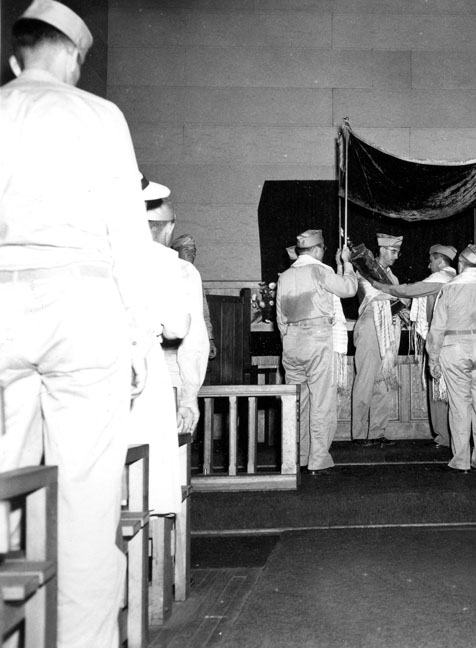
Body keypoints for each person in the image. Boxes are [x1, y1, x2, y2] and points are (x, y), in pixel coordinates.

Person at [0, 2, 153, 645]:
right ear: (71, 57)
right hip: (83, 302)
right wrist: (140, 334)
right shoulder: (97, 114)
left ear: (17, 59)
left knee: (4, 480)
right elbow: (128, 230)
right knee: (88, 495)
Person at [129, 175, 190, 517]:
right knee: (151, 469)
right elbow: (177, 328)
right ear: (166, 229)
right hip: (143, 362)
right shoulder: (163, 260)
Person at [277, 230, 357, 473]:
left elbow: (280, 318)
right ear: (317, 249)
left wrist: (290, 339)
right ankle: (318, 459)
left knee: (297, 402)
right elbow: (349, 289)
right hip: (317, 340)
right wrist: (346, 263)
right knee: (322, 401)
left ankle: (298, 457)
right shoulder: (320, 270)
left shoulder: (285, 276)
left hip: (291, 342)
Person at [372, 244, 458, 448]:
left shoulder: (441, 278)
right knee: (442, 389)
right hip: (444, 339)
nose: (428, 266)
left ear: (439, 261)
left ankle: (445, 436)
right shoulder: (451, 278)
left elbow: (411, 290)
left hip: (441, 341)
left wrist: (382, 286)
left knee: (440, 389)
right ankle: (446, 436)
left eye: (430, 261)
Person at [427, 245, 476, 472]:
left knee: (460, 406)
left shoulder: (449, 288)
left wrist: (433, 358)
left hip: (455, 348)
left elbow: (437, 328)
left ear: (460, 265)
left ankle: (461, 460)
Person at [148, 198, 210, 436]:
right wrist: (189, 396)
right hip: (162, 374)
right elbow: (188, 338)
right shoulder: (180, 270)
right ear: (170, 227)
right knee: (165, 458)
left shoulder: (108, 262)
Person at [351, 233, 407, 446]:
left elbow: (398, 298)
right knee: (365, 379)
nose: (396, 256)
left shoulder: (392, 277)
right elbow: (374, 295)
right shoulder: (364, 271)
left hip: (390, 328)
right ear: (381, 250)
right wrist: (400, 298)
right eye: (393, 251)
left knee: (383, 380)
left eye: (398, 252)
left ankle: (377, 431)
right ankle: (358, 434)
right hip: (371, 324)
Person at [172, 233, 217, 359]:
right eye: (187, 250)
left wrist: (210, 339)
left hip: (194, 340)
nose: (192, 253)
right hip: (173, 341)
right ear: (176, 252)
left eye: (194, 251)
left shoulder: (195, 276)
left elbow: (204, 312)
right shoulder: (168, 274)